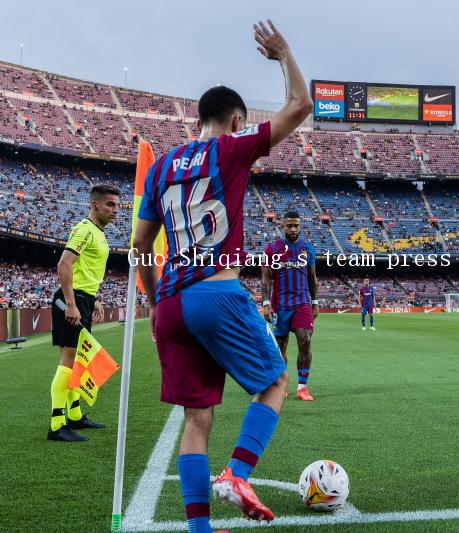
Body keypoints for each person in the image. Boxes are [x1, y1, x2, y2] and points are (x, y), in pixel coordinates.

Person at [133, 20, 312, 530]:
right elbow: (300, 105)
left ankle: (199, 528)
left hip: (170, 303)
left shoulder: (163, 165)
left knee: (197, 417)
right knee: (276, 380)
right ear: (235, 120)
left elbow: (142, 244)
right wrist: (283, 54)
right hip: (216, 291)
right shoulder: (230, 149)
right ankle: (237, 472)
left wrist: (151, 302)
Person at [48, 183, 119, 442]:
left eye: (117, 206)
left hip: (84, 299)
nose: (115, 210)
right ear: (94, 204)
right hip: (73, 300)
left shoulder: (99, 233)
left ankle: (75, 415)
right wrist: (70, 302)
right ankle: (57, 424)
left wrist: (94, 299)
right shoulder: (84, 230)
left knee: (80, 359)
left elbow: (85, 271)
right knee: (68, 359)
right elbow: (64, 264)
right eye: (110, 204)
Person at [262, 211, 319, 401]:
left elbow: (312, 277)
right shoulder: (272, 249)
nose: (293, 229)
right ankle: (282, 385)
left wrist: (315, 302)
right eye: (289, 225)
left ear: (300, 226)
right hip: (280, 304)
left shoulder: (307, 248)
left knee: (305, 340)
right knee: (280, 346)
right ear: (282, 226)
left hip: (302, 302)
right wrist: (266, 304)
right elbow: (266, 279)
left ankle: (302, 387)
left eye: (296, 225)